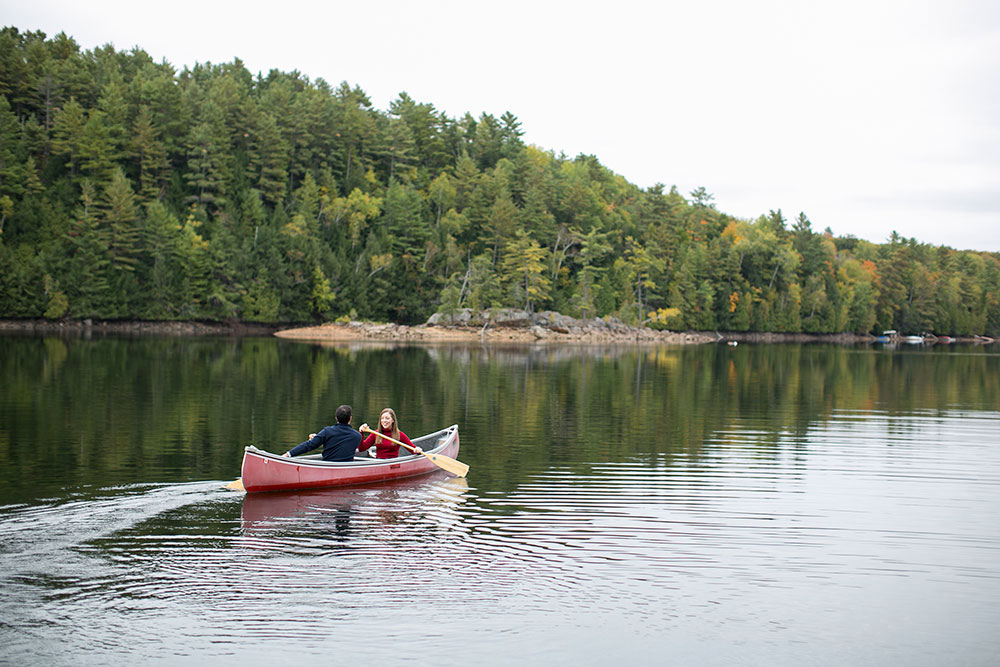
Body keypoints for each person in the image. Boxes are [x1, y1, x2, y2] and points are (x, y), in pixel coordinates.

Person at [283, 404, 362, 461]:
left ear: (336, 418)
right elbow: (341, 442)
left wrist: (288, 454)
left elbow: (309, 445)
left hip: (328, 465)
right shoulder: (357, 436)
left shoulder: (327, 431)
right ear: (350, 419)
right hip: (346, 467)